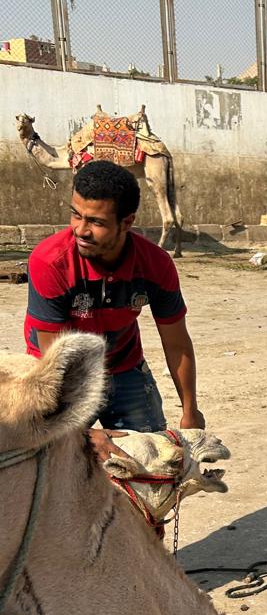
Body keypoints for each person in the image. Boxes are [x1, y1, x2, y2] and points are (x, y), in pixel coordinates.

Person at [23, 160, 204, 460]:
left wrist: (190, 410)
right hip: (59, 376)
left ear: (127, 222)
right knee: (56, 468)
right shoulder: (50, 261)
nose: (81, 230)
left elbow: (177, 344)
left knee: (152, 461)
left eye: (96, 222)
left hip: (124, 367)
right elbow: (56, 362)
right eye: (75, 215)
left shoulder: (156, 265)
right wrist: (84, 433)